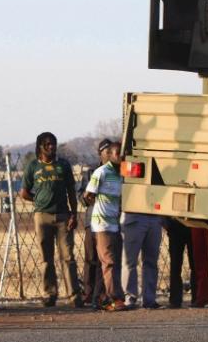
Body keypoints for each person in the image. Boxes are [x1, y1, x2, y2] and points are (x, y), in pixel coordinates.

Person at [20, 132, 83, 308]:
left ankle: (74, 296)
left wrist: (74, 214)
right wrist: (39, 200)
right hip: (42, 217)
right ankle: (50, 294)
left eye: (53, 144)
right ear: (40, 147)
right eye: (47, 144)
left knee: (68, 257)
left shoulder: (63, 165)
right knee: (46, 259)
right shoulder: (33, 166)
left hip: (63, 216)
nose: (51, 147)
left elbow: (71, 191)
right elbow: (24, 193)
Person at [83, 139, 126, 311]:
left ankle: (104, 298)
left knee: (114, 262)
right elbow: (88, 195)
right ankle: (113, 299)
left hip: (115, 223)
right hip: (101, 224)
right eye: (117, 154)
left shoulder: (121, 174)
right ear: (109, 156)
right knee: (108, 261)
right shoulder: (101, 172)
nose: (120, 156)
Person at [77, 147, 105, 308]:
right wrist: (90, 199)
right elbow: (81, 195)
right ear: (100, 154)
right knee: (91, 257)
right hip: (92, 219)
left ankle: (102, 292)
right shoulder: (90, 172)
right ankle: (88, 291)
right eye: (106, 152)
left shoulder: (117, 171)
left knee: (106, 259)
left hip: (109, 220)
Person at [165, 217, 196, 309]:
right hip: (175, 224)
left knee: (194, 264)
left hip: (193, 225)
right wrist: (166, 222)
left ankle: (196, 298)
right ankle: (175, 300)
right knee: (175, 265)